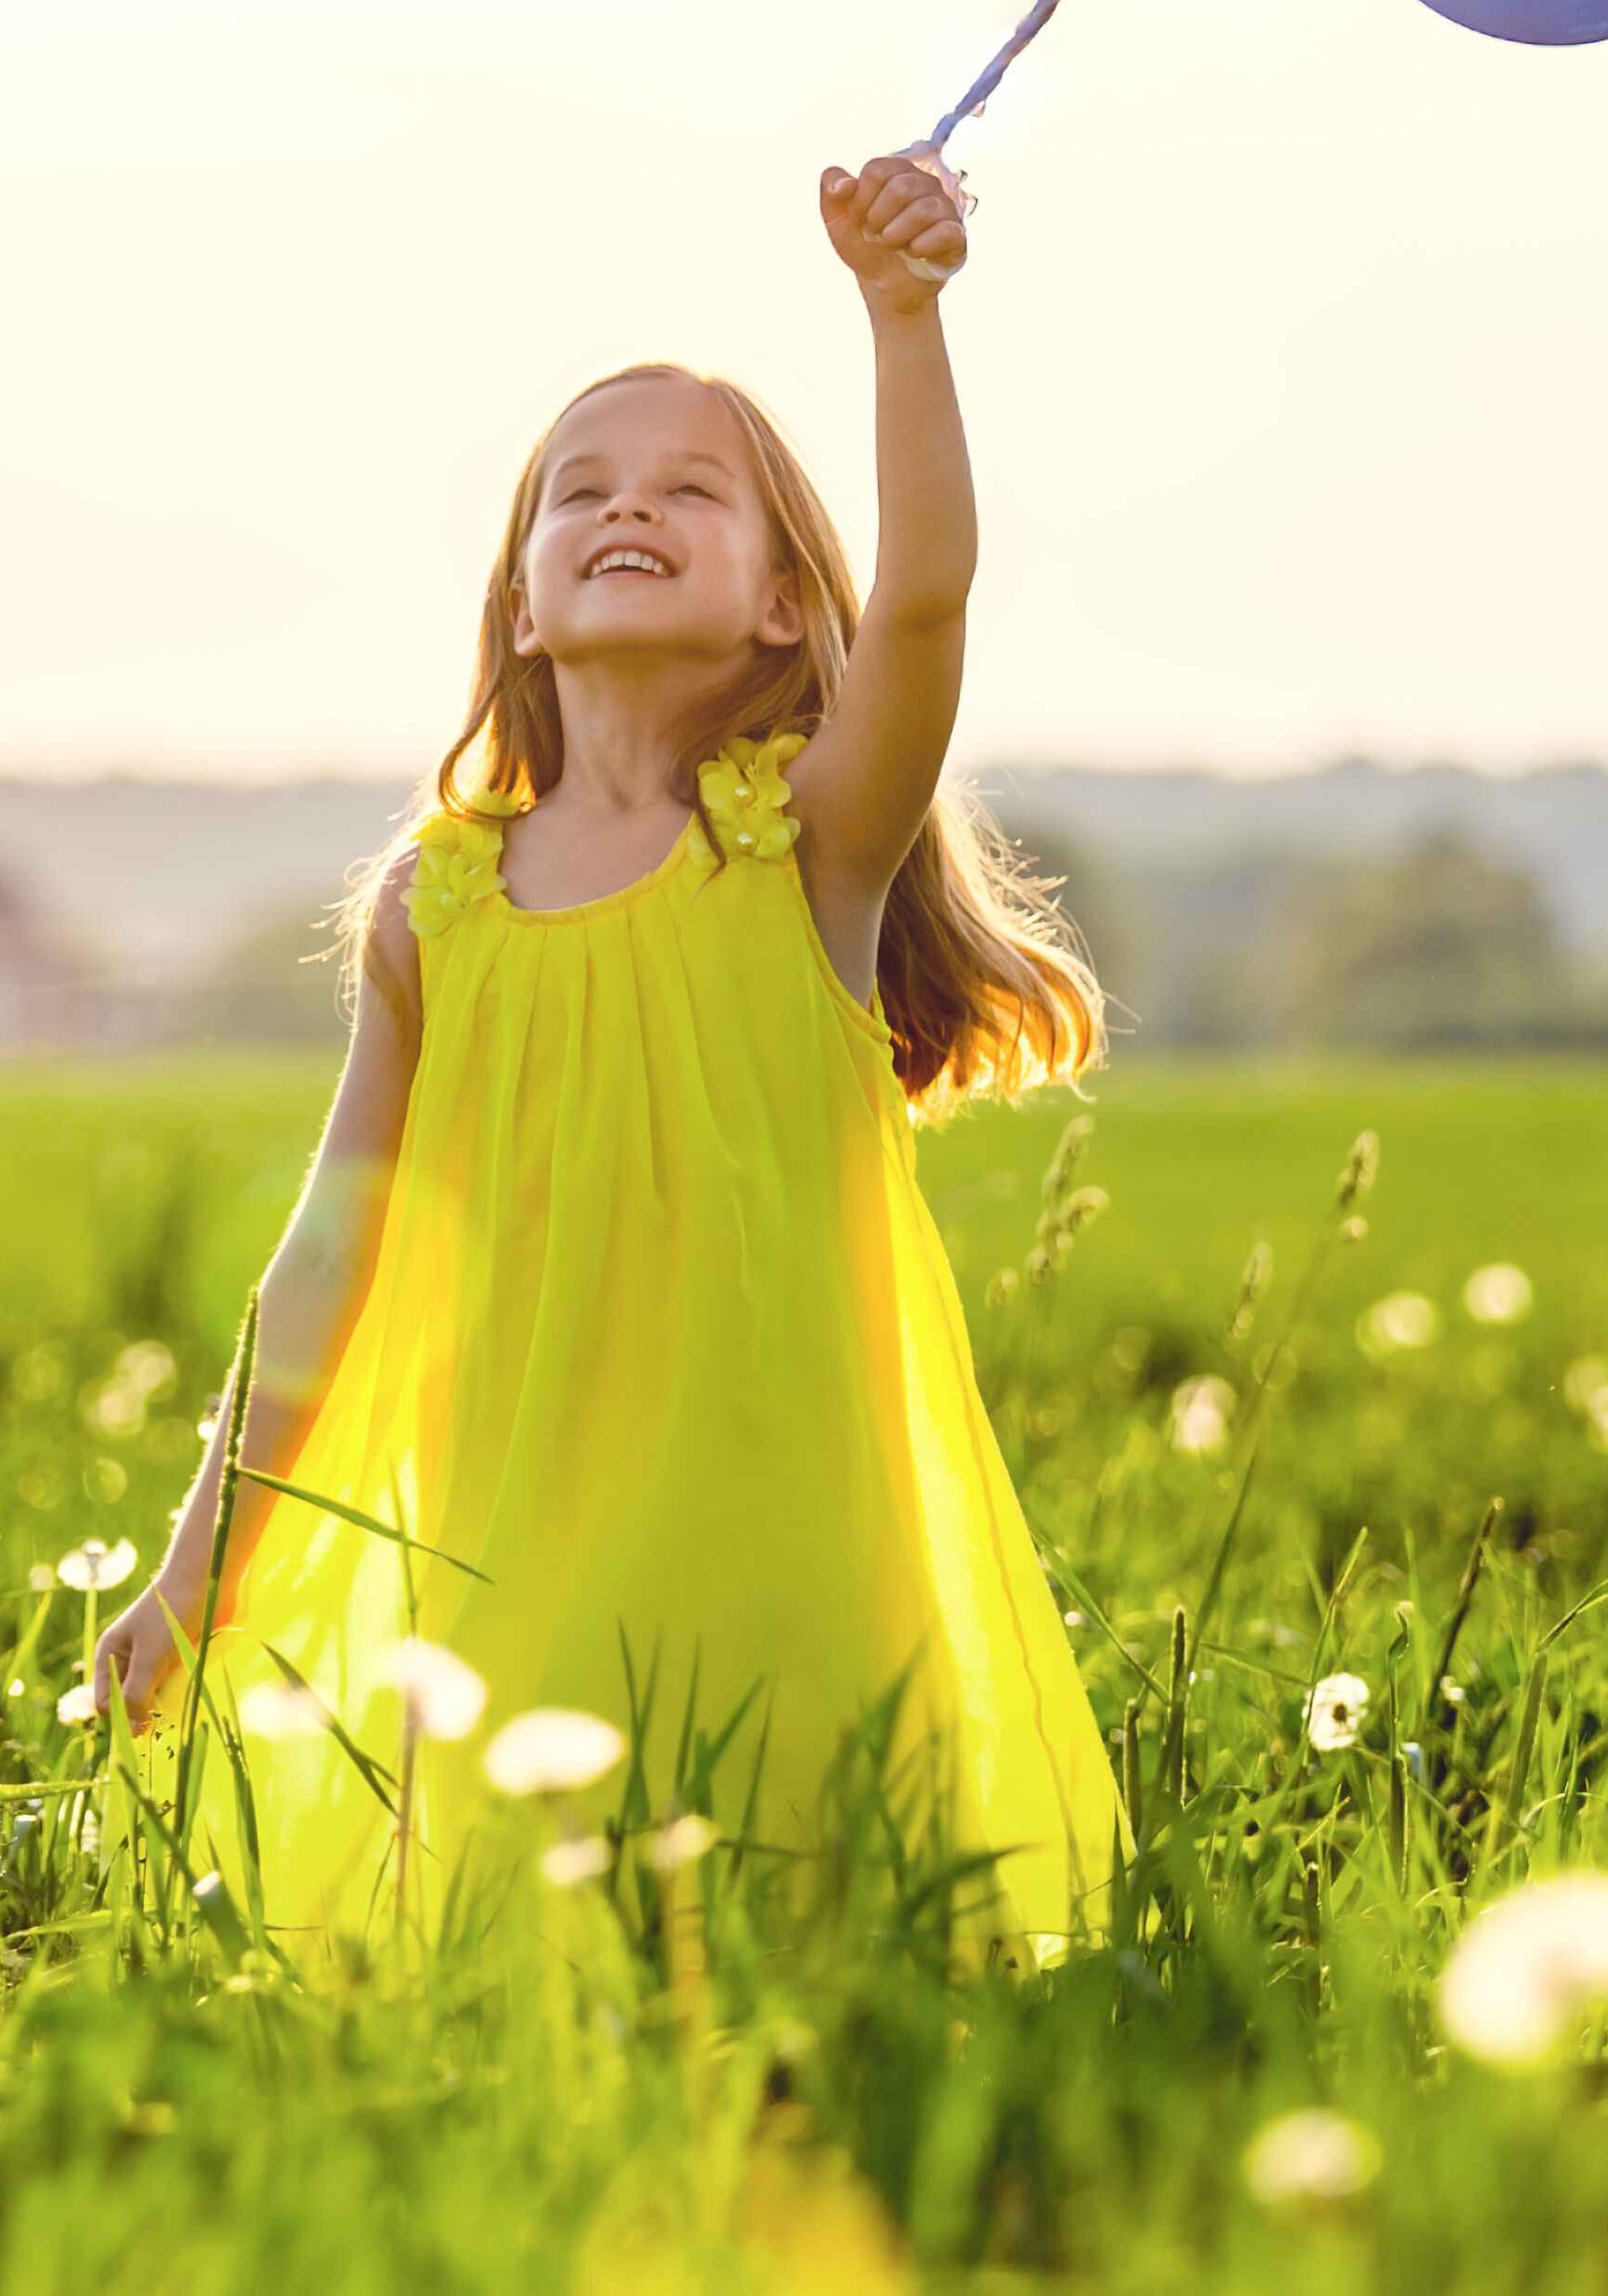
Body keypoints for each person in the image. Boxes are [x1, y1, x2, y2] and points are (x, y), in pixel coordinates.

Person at [87, 150, 1119, 1938]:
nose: (623, 507)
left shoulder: (804, 844)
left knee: (799, 1937)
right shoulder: (438, 910)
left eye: (688, 490)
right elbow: (325, 1260)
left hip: (780, 1519)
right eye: (579, 491)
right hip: (517, 1522)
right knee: (529, 1953)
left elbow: (935, 600)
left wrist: (903, 318)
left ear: (790, 601)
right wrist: (197, 1567)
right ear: (520, 602)